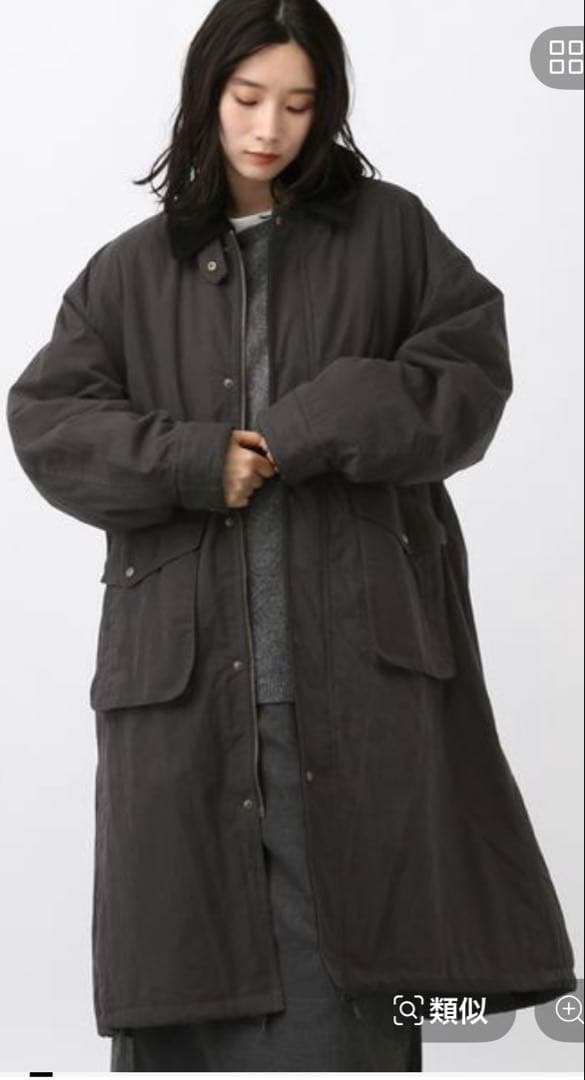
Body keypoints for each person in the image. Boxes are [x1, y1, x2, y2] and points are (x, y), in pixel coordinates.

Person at [6, 0, 576, 1072]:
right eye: (246, 98)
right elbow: (47, 424)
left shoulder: (391, 233)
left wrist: (308, 426)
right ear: (206, 96)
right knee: (189, 979)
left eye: (299, 104)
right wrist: (192, 459)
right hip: (180, 686)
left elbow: (467, 380)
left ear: (328, 110)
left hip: (351, 673)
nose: (268, 128)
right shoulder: (128, 272)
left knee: (349, 985)